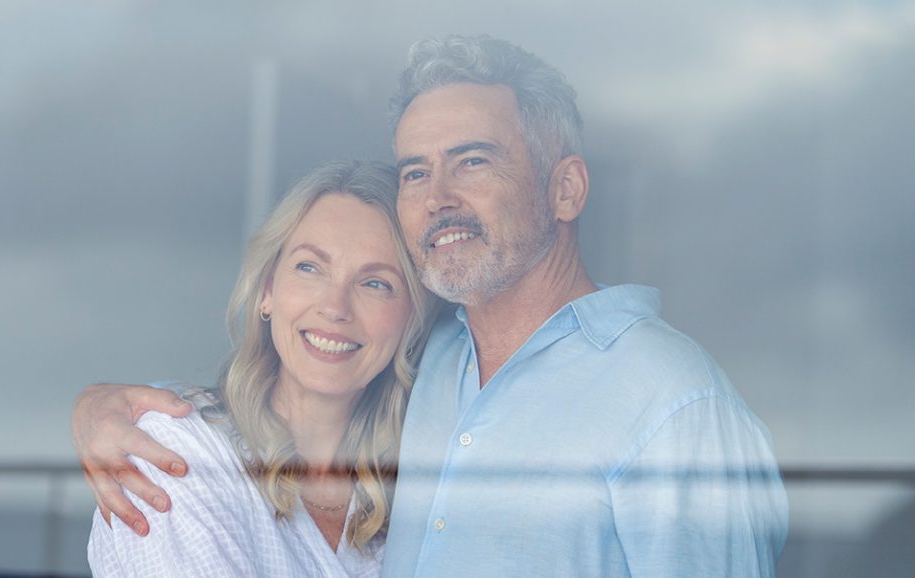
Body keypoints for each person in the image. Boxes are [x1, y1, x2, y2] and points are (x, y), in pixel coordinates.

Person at [74, 35, 788, 577]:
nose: (438, 195)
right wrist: (110, 407)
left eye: (473, 160)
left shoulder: (672, 401)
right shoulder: (434, 361)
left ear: (566, 190)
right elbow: (290, 389)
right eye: (417, 170)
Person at [85, 160, 434, 577]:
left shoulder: (408, 500)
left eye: (375, 283)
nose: (335, 307)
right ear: (267, 291)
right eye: (310, 267)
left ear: (410, 320)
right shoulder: (177, 449)